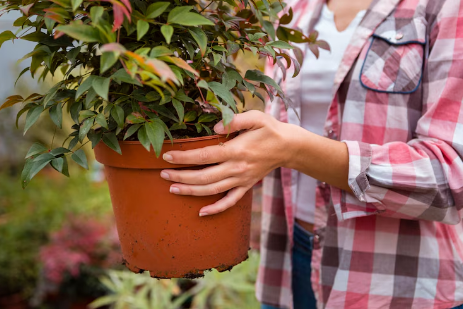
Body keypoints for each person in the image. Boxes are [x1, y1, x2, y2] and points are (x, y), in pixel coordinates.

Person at [158, 0, 463, 308]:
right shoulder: (294, 9)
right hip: (290, 265)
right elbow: (275, 137)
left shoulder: (445, 7)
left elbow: (452, 176)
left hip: (393, 281)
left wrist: (294, 149)